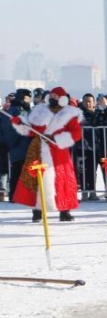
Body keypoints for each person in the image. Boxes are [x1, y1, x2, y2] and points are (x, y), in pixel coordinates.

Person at [10, 87, 82, 222]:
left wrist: (58, 138)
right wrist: (20, 123)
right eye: (52, 96)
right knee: (36, 179)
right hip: (38, 149)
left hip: (58, 152)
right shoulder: (40, 111)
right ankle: (37, 211)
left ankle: (65, 210)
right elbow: (31, 130)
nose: (54, 98)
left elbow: (76, 133)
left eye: (56, 96)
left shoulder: (70, 114)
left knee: (62, 180)